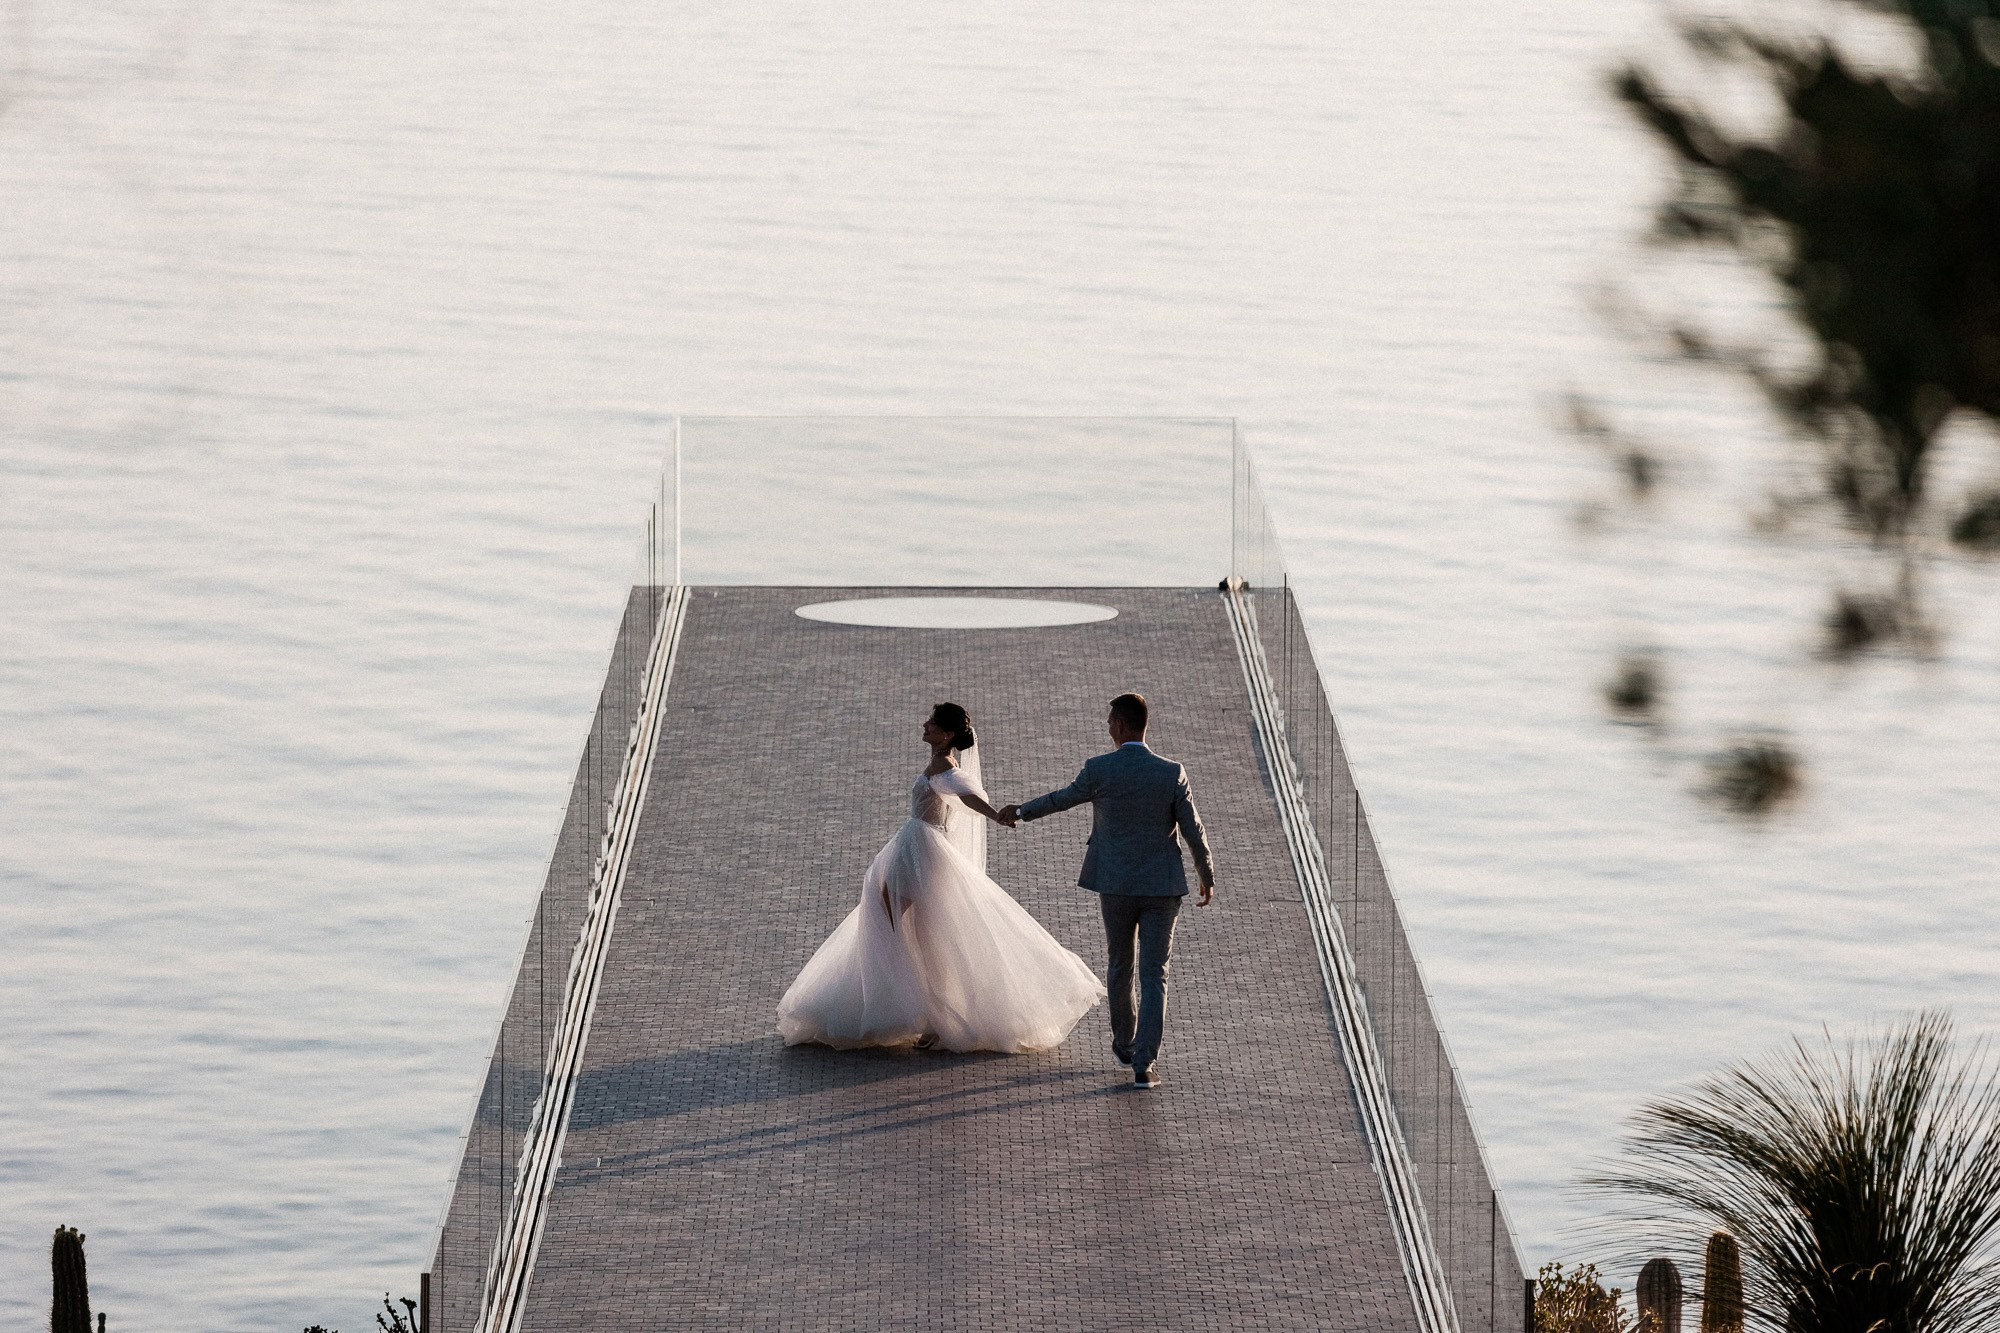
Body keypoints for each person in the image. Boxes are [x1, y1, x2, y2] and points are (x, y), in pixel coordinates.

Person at [777, 702, 1105, 1053]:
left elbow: (969, 796)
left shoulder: (948, 768)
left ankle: (929, 1011)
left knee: (918, 931)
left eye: (932, 723)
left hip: (923, 850)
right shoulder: (939, 763)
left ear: (947, 734)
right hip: (913, 846)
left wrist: (995, 815)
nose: (925, 724)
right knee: (902, 922)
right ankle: (916, 1004)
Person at [998, 693, 1214, 1090]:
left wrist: (1022, 811)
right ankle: (1144, 1064)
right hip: (1162, 888)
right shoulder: (1171, 773)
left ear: (1122, 725)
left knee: (1120, 964)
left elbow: (1062, 800)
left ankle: (1124, 1043)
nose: (1107, 726)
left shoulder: (1099, 770)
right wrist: (1206, 874)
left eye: (1110, 720)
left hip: (1114, 885)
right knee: (1155, 974)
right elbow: (1192, 829)